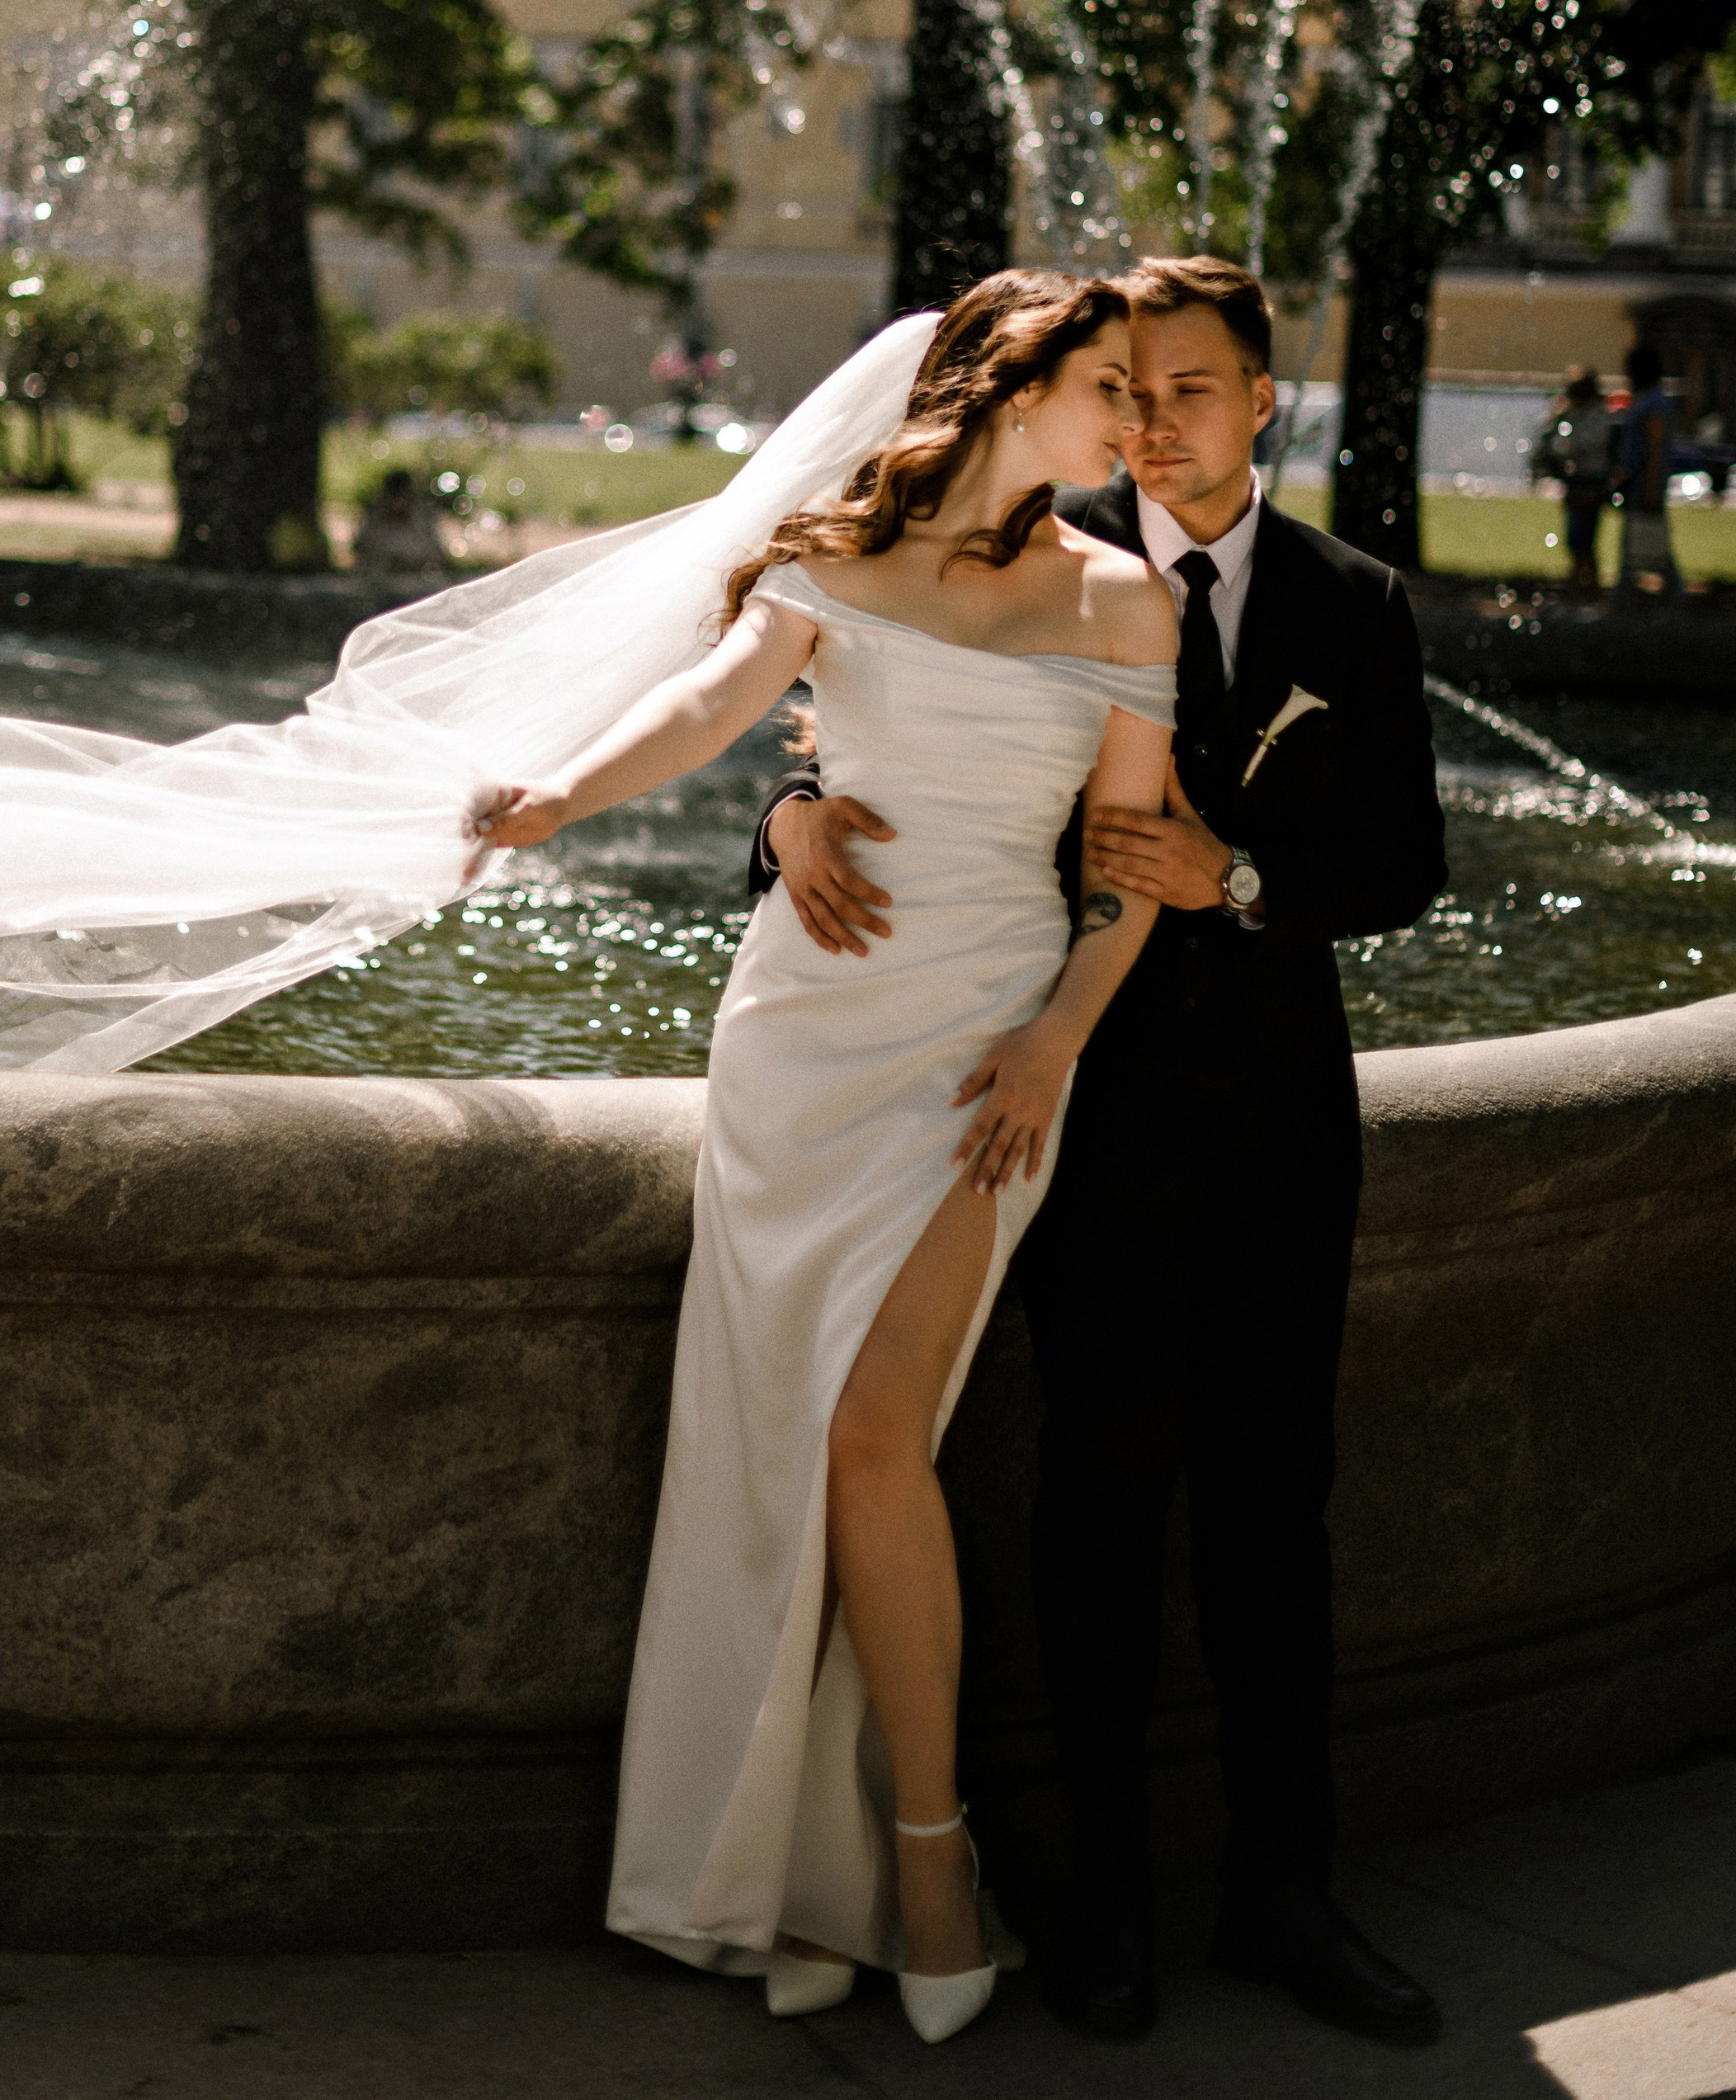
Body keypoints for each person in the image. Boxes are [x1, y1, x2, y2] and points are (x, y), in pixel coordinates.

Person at [755, 256, 1448, 2051]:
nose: (1156, 421)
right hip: (1054, 1118)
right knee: (1090, 1508)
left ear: (1260, 400)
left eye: (1195, 388)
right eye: (1134, 390)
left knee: (1270, 1516)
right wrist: (783, 809)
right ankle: (1100, 1907)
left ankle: (1290, 1899)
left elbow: (1404, 865)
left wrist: (1238, 877)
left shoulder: (1350, 602)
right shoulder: (1015, 556)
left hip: (1282, 1122)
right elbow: (860, 753)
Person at [481, 272, 1176, 2045]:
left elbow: (1127, 857)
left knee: (873, 1429)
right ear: (1008, 389)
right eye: (1106, 386)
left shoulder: (1124, 595)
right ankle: (790, 1869)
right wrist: (555, 794)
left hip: (982, 1054)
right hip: (801, 1034)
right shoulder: (831, 557)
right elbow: (718, 705)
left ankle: (925, 1856)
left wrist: (1052, 1039)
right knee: (780, 1444)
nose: (1132, 423)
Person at [1531, 368, 1616, 594]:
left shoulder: (1598, 416)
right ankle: (1579, 577)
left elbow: (1592, 443)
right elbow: (1551, 441)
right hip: (1575, 481)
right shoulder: (1566, 415)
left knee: (1586, 534)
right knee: (1574, 535)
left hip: (1592, 481)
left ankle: (1589, 580)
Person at [1616, 340, 1679, 598]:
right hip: (1637, 484)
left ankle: (1628, 594)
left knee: (1645, 539)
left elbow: (1655, 449)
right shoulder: (1646, 400)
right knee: (1649, 540)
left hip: (1645, 485)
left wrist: (1652, 488)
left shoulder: (1655, 404)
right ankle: (1629, 590)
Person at [352, 465, 449, 577]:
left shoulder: (422, 518)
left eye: (403, 496)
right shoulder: (375, 517)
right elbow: (361, 550)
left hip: (416, 582)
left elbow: (435, 556)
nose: (398, 504)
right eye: (394, 497)